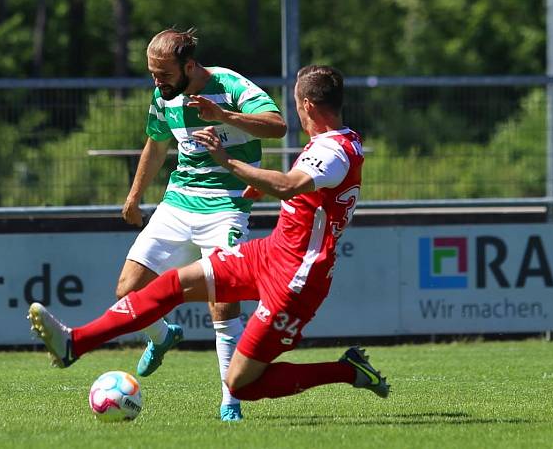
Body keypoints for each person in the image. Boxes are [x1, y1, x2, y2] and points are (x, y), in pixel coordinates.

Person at [29, 65, 389, 413]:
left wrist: (229, 163)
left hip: (296, 278)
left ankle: (348, 370)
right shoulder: (334, 143)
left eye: (295, 103)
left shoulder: (333, 150)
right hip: (269, 253)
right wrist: (262, 184)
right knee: (171, 285)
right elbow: (304, 188)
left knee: (242, 384)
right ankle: (75, 343)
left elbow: (289, 185)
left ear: (307, 105)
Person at [115, 28, 286, 421]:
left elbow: (277, 126)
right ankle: (163, 336)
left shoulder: (229, 84)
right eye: (152, 73)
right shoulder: (164, 95)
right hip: (177, 205)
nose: (156, 82)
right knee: (126, 290)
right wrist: (134, 195)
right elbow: (157, 144)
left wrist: (224, 116)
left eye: (163, 74)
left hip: (226, 206)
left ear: (189, 66)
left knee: (223, 301)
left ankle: (231, 401)